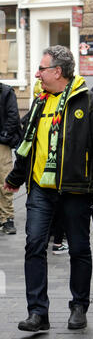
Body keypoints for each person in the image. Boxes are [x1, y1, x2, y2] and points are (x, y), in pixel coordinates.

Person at [4, 45, 93, 333]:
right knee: (34, 245)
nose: (37, 73)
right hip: (40, 188)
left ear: (58, 72)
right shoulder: (40, 102)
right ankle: (38, 313)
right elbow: (28, 145)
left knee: (78, 248)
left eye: (42, 68)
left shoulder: (86, 101)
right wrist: (16, 177)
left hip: (76, 188)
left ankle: (79, 306)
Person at [0, 82, 21, 235]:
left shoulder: (6, 91)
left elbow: (13, 116)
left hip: (1, 144)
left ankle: (7, 218)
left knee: (4, 179)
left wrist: (4, 136)